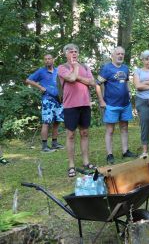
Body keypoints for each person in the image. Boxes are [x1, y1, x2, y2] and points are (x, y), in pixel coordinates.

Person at [57, 44, 96, 177]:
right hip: (70, 105)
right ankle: (71, 165)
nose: (74, 53)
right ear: (65, 54)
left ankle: (86, 162)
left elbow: (92, 82)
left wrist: (79, 74)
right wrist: (76, 68)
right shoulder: (62, 68)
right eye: (71, 52)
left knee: (84, 133)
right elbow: (72, 78)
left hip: (85, 104)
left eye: (76, 51)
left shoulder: (85, 67)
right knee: (71, 135)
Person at [95, 47, 137, 165]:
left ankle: (125, 151)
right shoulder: (106, 68)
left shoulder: (125, 68)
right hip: (111, 105)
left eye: (122, 54)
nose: (120, 56)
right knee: (110, 130)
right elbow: (97, 84)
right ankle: (109, 154)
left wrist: (129, 93)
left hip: (125, 104)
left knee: (124, 127)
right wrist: (101, 101)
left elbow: (127, 82)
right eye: (118, 54)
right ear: (112, 55)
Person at [26, 54, 65, 152]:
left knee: (57, 122)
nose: (47, 61)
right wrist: (40, 87)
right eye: (45, 59)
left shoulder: (58, 71)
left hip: (59, 100)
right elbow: (28, 80)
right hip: (47, 99)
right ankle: (44, 147)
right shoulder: (41, 71)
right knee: (46, 122)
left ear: (53, 60)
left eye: (49, 59)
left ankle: (54, 143)